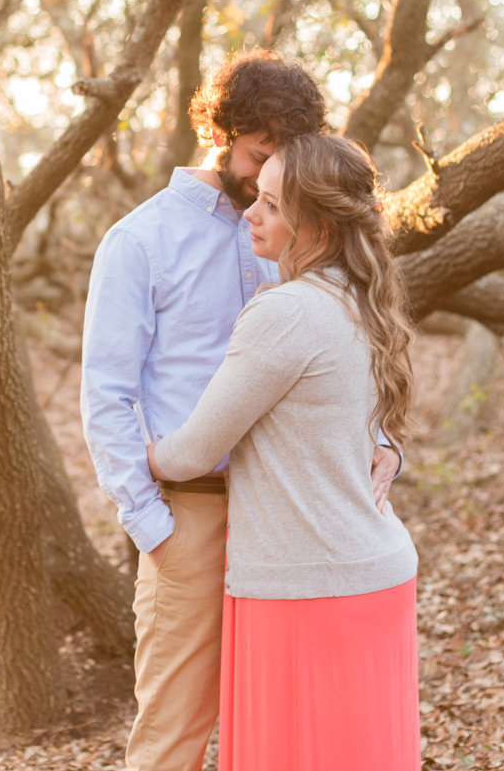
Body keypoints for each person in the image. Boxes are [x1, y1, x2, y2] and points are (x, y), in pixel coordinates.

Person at [80, 50, 401, 771]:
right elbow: (108, 393)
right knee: (173, 735)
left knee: (288, 731)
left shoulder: (295, 226)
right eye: (258, 155)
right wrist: (151, 523)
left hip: (293, 522)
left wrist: (382, 439)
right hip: (189, 517)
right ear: (221, 130)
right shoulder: (140, 240)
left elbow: (335, 344)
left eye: (281, 162)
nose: (265, 178)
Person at [148, 133, 421, 771]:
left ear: (316, 222)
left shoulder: (285, 313)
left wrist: (149, 456)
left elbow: (196, 450)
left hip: (305, 590)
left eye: (271, 205)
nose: (251, 213)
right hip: (372, 572)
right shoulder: (361, 301)